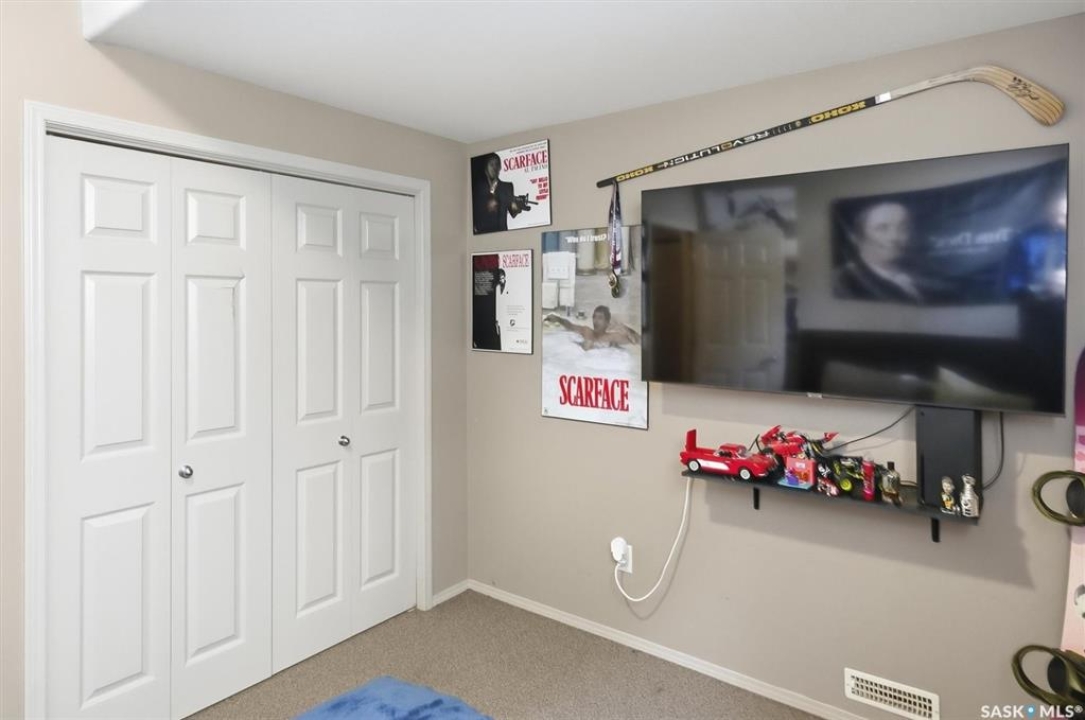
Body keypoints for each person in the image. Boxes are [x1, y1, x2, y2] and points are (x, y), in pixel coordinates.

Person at [833, 200, 925, 303]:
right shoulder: (843, 282)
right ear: (856, 238)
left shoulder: (920, 273)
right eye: (882, 228)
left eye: (903, 228)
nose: (895, 237)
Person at [472, 152, 532, 233]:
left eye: (497, 164)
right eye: (491, 164)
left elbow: (513, 211)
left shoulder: (507, 187)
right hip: (482, 234)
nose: (494, 167)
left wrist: (519, 205)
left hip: (501, 234)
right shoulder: (478, 188)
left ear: (500, 167)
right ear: (486, 168)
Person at [545, 305, 641, 350]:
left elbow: (638, 340)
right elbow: (570, 326)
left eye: (600, 318)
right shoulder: (586, 331)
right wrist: (558, 319)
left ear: (607, 323)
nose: (595, 321)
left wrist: (625, 328)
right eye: (594, 317)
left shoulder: (612, 337)